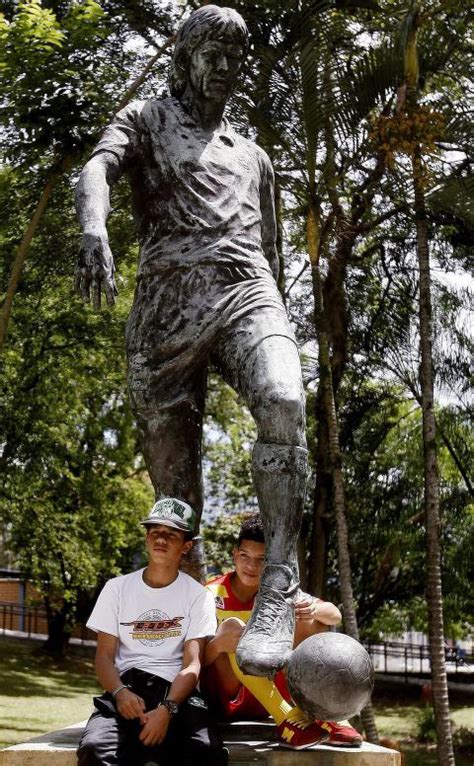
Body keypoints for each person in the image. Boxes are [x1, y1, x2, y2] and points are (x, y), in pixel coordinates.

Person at [75, 5, 307, 676]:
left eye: (237, 60)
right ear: (182, 59)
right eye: (215, 56)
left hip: (245, 290)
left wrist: (278, 322)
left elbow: (272, 251)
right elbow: (97, 169)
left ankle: (278, 585)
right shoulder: (147, 121)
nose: (228, 71)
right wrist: (94, 228)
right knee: (178, 506)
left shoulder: (253, 156)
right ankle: (196, 654)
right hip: (166, 311)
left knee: (284, 401)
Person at [77, 497, 227, 766]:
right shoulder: (117, 588)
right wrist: (119, 692)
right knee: (94, 749)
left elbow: (192, 664)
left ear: (186, 546)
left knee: (206, 750)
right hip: (126, 690)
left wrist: (167, 710)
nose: (161, 539)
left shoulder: (197, 596)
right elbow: (103, 656)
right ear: (146, 538)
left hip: (176, 693)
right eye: (155, 532)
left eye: (171, 534)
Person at [203, 513, 363, 750]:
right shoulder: (209, 593)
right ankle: (286, 721)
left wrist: (313, 609)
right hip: (227, 698)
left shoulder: (279, 592)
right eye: (245, 556)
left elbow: (334, 615)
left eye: (261, 560)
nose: (251, 566)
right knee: (234, 628)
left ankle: (324, 713)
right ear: (235, 555)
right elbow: (192, 659)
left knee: (311, 619)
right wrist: (217, 644)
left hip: (271, 687)